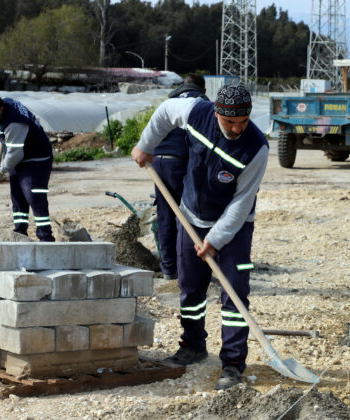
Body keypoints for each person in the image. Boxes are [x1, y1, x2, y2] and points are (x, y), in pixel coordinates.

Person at [131, 84, 268, 391]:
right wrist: (145, 144)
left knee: (234, 293)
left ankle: (233, 364)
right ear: (217, 112)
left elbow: (242, 202)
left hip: (233, 228)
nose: (236, 129)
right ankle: (192, 345)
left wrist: (216, 239)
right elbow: (165, 112)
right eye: (230, 122)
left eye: (243, 122)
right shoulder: (196, 111)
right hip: (191, 216)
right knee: (190, 288)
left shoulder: (256, 148)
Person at [154, 74, 210, 281]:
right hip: (181, 161)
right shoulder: (202, 104)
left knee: (165, 215)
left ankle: (168, 269)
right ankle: (186, 268)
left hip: (158, 160)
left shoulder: (170, 101)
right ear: (203, 90)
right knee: (187, 215)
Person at [0, 91, 55, 241]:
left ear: (0, 107)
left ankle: (46, 237)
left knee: (33, 195)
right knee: (18, 196)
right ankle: (19, 233)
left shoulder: (14, 122)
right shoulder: (4, 106)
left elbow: (15, 153)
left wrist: (1, 170)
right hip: (20, 156)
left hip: (36, 158)